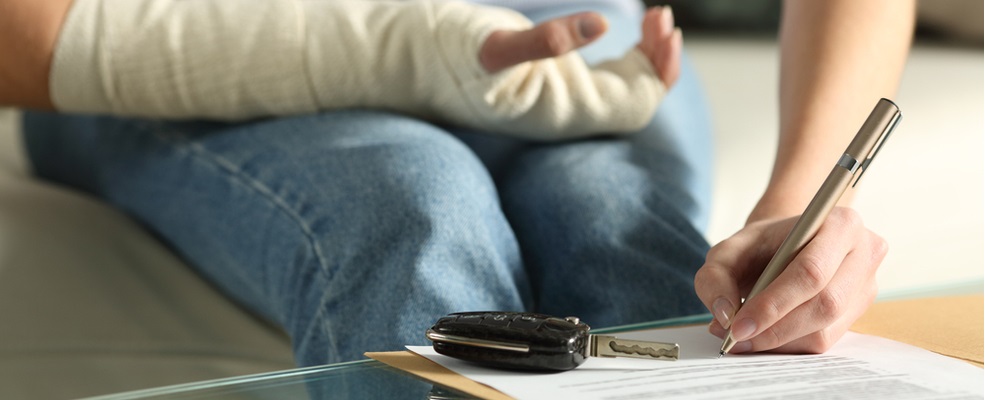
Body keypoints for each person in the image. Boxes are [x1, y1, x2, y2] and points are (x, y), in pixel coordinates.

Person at [0, 0, 914, 367]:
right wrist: (414, 49)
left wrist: (807, 202)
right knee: (415, 212)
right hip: (192, 50)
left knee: (624, 248)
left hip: (578, 46)